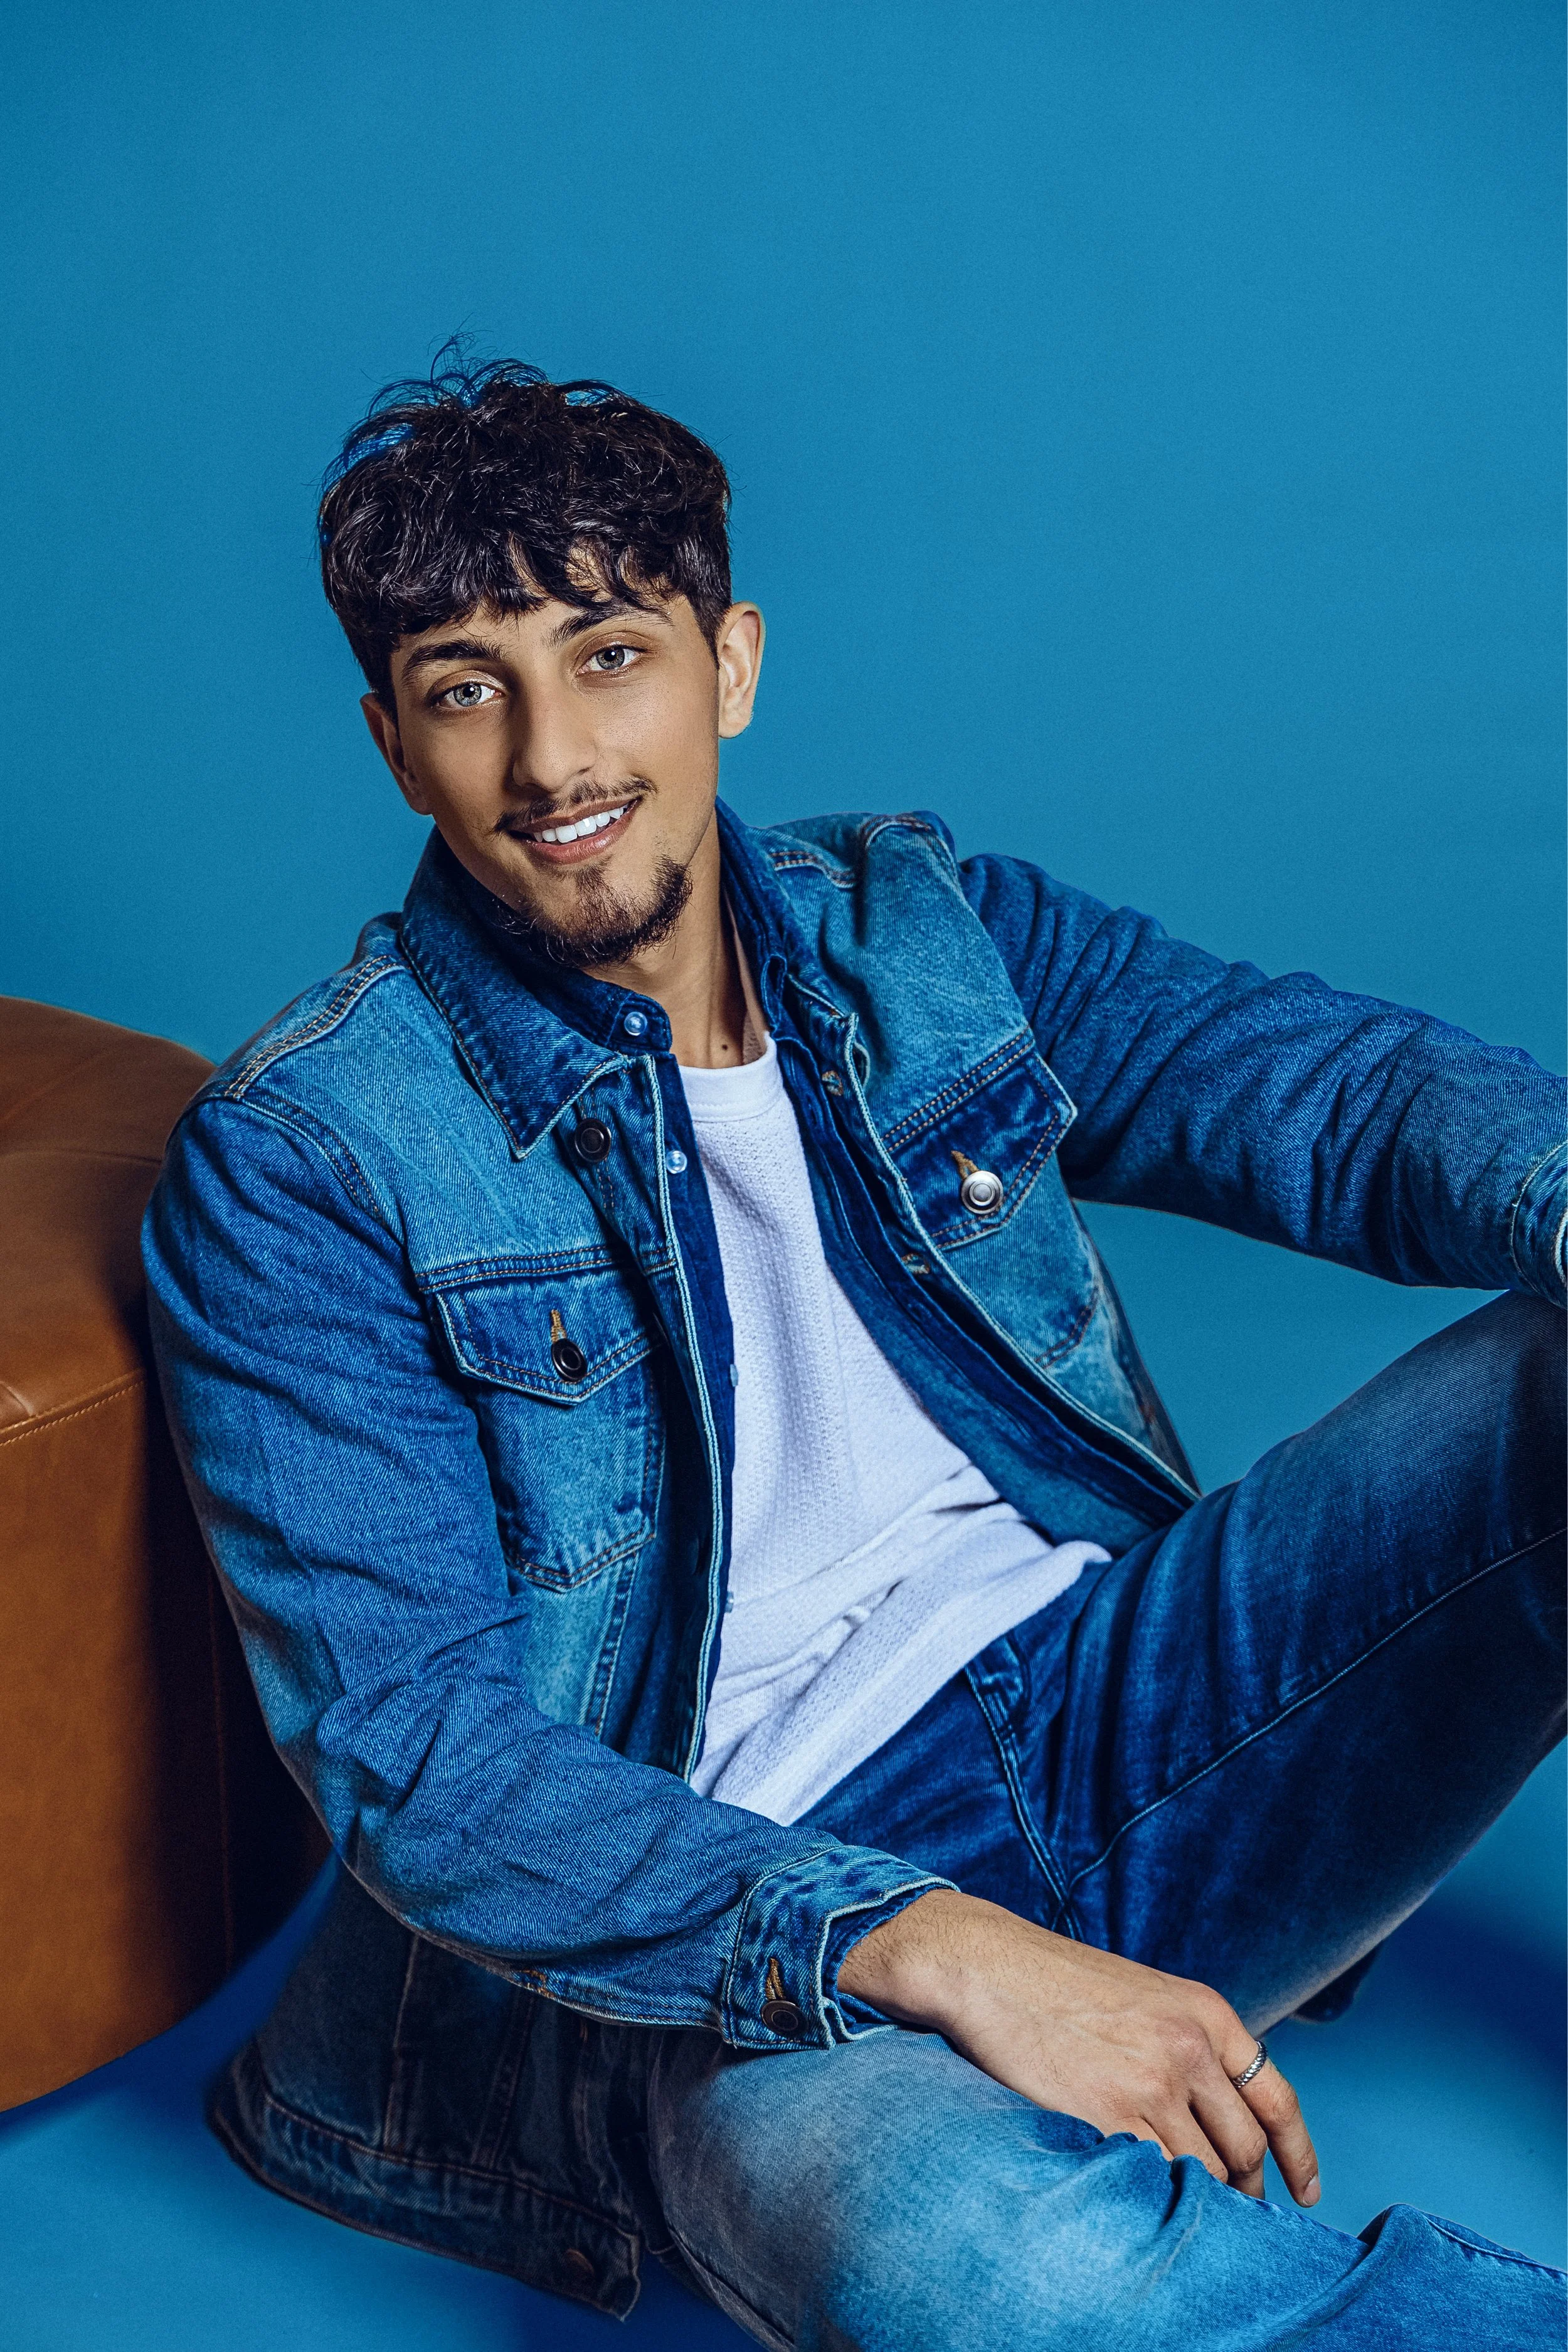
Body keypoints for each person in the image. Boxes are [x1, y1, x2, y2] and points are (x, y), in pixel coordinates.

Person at [144, 355, 1565, 2349]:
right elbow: (424, 1760)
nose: (555, 760)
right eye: (469, 688)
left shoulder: (926, 930)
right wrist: (931, 1942)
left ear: (725, 664)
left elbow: (1338, 1099)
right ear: (395, 741)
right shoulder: (303, 1160)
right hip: (725, 1956)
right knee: (970, 2263)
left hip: (1140, 1723)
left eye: (609, 653)